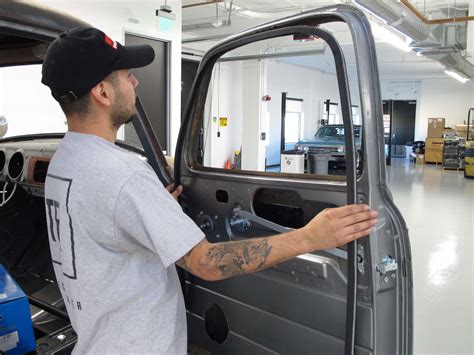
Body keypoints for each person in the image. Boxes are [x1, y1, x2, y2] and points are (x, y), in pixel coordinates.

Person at [41, 27, 377, 354]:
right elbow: (207, 264)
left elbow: (105, 224)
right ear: (103, 92)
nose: (135, 81)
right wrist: (311, 237)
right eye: (127, 75)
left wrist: (151, 211)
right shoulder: (124, 175)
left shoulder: (65, 161)